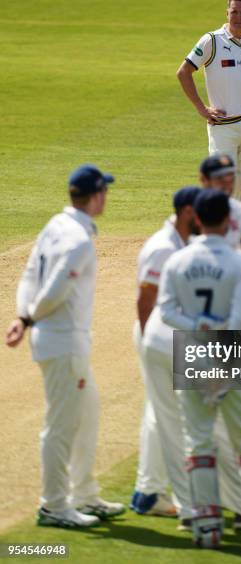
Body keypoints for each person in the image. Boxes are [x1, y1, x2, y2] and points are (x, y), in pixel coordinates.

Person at [159, 189, 241, 548]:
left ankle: (207, 527)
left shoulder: (178, 262)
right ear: (230, 222)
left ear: (197, 219)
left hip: (192, 357)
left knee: (199, 442)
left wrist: (198, 325)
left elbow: (166, 312)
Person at [5, 164, 125, 528]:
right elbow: (54, 288)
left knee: (88, 412)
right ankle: (54, 506)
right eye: (105, 190)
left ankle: (85, 494)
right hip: (63, 342)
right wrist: (26, 319)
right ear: (96, 195)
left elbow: (29, 274)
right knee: (60, 425)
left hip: (61, 340)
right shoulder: (77, 241)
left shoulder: (56, 225)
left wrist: (23, 313)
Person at [130, 186, 202, 519]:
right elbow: (144, 302)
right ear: (188, 211)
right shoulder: (162, 248)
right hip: (157, 337)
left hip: (170, 338)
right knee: (172, 418)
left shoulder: (184, 242)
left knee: (158, 413)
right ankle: (186, 502)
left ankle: (147, 491)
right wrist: (150, 346)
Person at [177, 0, 241, 206]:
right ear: (227, 13)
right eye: (234, 12)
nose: (238, 17)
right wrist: (201, 109)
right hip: (224, 126)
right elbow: (183, 72)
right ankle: (214, 233)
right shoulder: (211, 41)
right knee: (221, 185)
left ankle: (240, 235)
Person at [200, 153, 241, 248]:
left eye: (231, 179)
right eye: (220, 179)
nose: (228, 186)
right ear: (204, 180)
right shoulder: (189, 212)